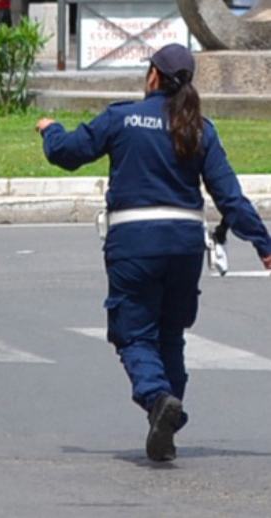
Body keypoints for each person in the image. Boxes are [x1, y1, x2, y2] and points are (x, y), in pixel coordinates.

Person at [34, 43, 271, 462]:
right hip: (184, 248)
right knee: (170, 336)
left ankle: (158, 398)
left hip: (134, 245)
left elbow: (66, 154)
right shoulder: (199, 128)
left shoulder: (121, 118)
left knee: (134, 333)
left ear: (153, 77)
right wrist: (264, 246)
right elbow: (230, 198)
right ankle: (165, 422)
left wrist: (49, 128)